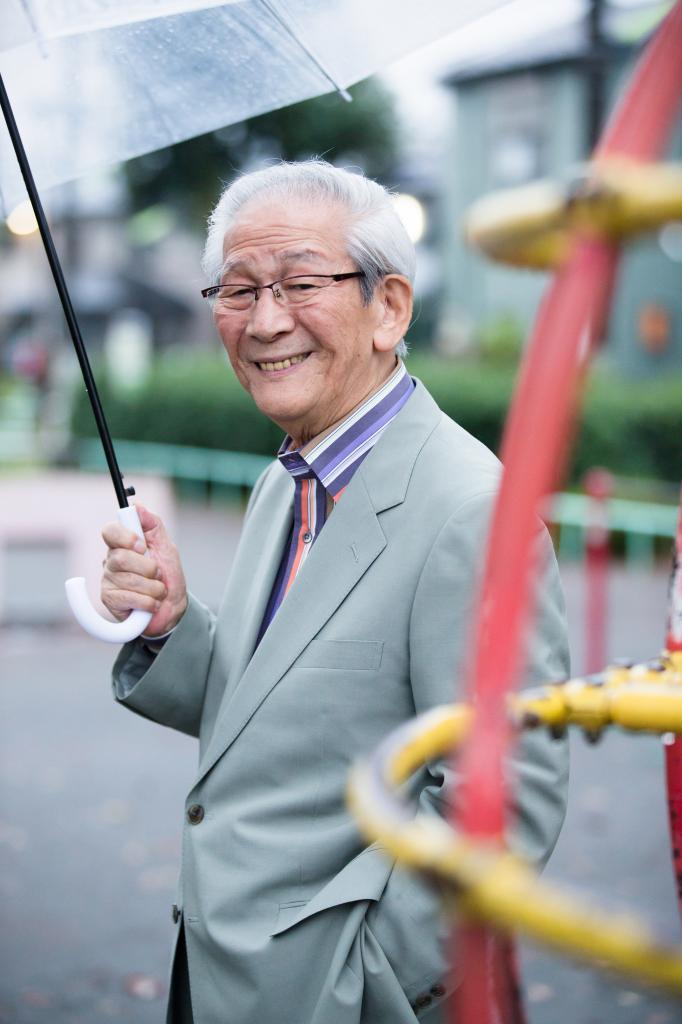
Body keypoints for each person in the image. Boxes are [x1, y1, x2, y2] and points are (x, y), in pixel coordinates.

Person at [100, 160, 569, 1024]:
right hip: (216, 968)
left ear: (389, 307)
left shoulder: (471, 510)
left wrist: (372, 984)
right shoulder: (288, 478)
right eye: (236, 290)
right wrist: (172, 626)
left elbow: (503, 795)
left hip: (336, 993)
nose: (264, 320)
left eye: (299, 283)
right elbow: (273, 705)